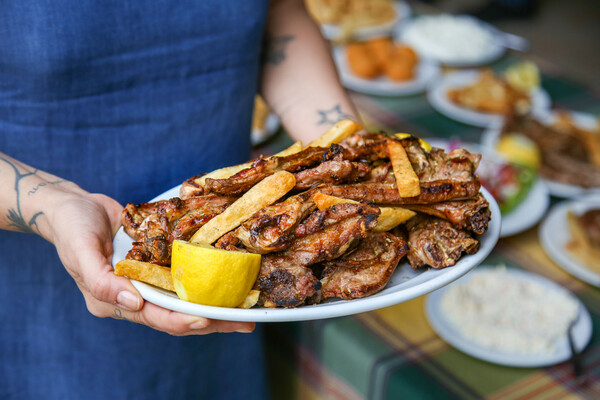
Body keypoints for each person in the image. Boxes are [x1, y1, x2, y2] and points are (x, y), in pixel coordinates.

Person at [0, 1, 359, 399]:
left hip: (238, 267)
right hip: (47, 275)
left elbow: (278, 19)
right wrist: (50, 205)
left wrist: (350, 158)